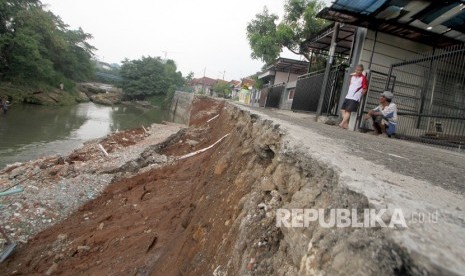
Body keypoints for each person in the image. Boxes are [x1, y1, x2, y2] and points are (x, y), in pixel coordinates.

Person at [339, 64, 368, 129]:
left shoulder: (363, 78)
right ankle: (346, 124)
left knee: (348, 111)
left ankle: (342, 123)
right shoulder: (352, 77)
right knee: (343, 110)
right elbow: (350, 85)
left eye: (360, 70)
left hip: (355, 97)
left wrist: (360, 96)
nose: (358, 71)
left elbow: (365, 88)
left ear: (362, 71)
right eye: (357, 70)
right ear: (355, 70)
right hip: (348, 95)